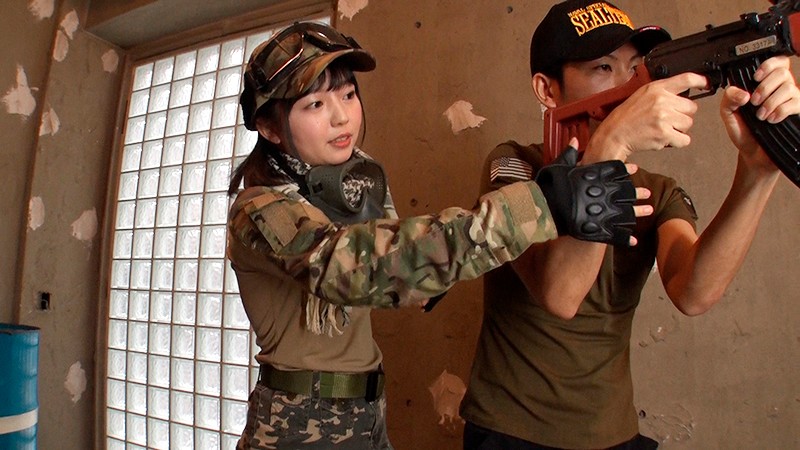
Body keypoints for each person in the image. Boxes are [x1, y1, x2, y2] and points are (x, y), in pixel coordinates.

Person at [226, 21, 649, 449]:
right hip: (295, 424)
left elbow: (395, 257)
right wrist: (538, 204)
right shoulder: (258, 210)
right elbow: (350, 268)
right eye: (315, 104)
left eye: (348, 94)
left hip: (366, 412)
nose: (341, 116)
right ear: (270, 127)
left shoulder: (352, 184)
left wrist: (432, 270)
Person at [460, 1, 800, 449]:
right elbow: (559, 293)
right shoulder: (515, 165)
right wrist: (612, 142)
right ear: (547, 89)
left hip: (614, 433)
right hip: (511, 433)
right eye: (604, 67)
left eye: (636, 68)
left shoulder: (656, 190)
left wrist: (757, 172)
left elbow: (693, 292)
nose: (629, 86)